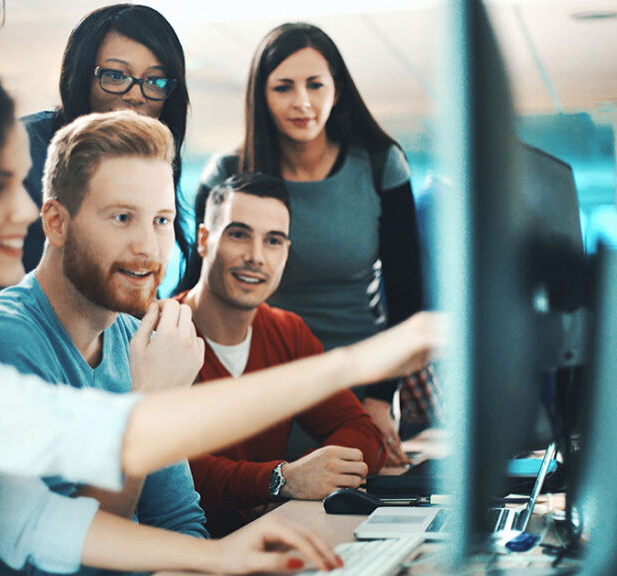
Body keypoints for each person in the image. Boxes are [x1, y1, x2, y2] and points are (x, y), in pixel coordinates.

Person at [0, 67, 435, 574]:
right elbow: (112, 441)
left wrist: (214, 555)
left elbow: (32, 521)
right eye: (1, 185)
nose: (25, 211)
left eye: (157, 219)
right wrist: (363, 361)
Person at [0, 110, 206, 575]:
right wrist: (148, 403)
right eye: (123, 217)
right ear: (56, 223)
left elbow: (179, 521)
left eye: (162, 220)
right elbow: (63, 566)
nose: (148, 247)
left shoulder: (135, 337)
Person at [178, 23, 429, 466]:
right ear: (262, 94)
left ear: (338, 87)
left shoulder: (379, 163)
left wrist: (379, 396)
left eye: (315, 84)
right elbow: (198, 283)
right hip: (265, 375)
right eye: (283, 87)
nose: (302, 102)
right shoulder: (229, 173)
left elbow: (406, 294)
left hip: (361, 374)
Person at [175, 173, 385, 537]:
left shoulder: (287, 332)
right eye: (239, 234)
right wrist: (279, 480)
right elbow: (165, 469)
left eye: (273, 241)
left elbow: (364, 430)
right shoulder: (157, 332)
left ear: (286, 252)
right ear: (205, 241)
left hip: (270, 540)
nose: (256, 257)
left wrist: (315, 476)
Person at [20, 3, 192, 277]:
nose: (136, 95)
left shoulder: (151, 163)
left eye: (155, 81)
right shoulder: (23, 150)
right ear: (81, 78)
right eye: (115, 75)